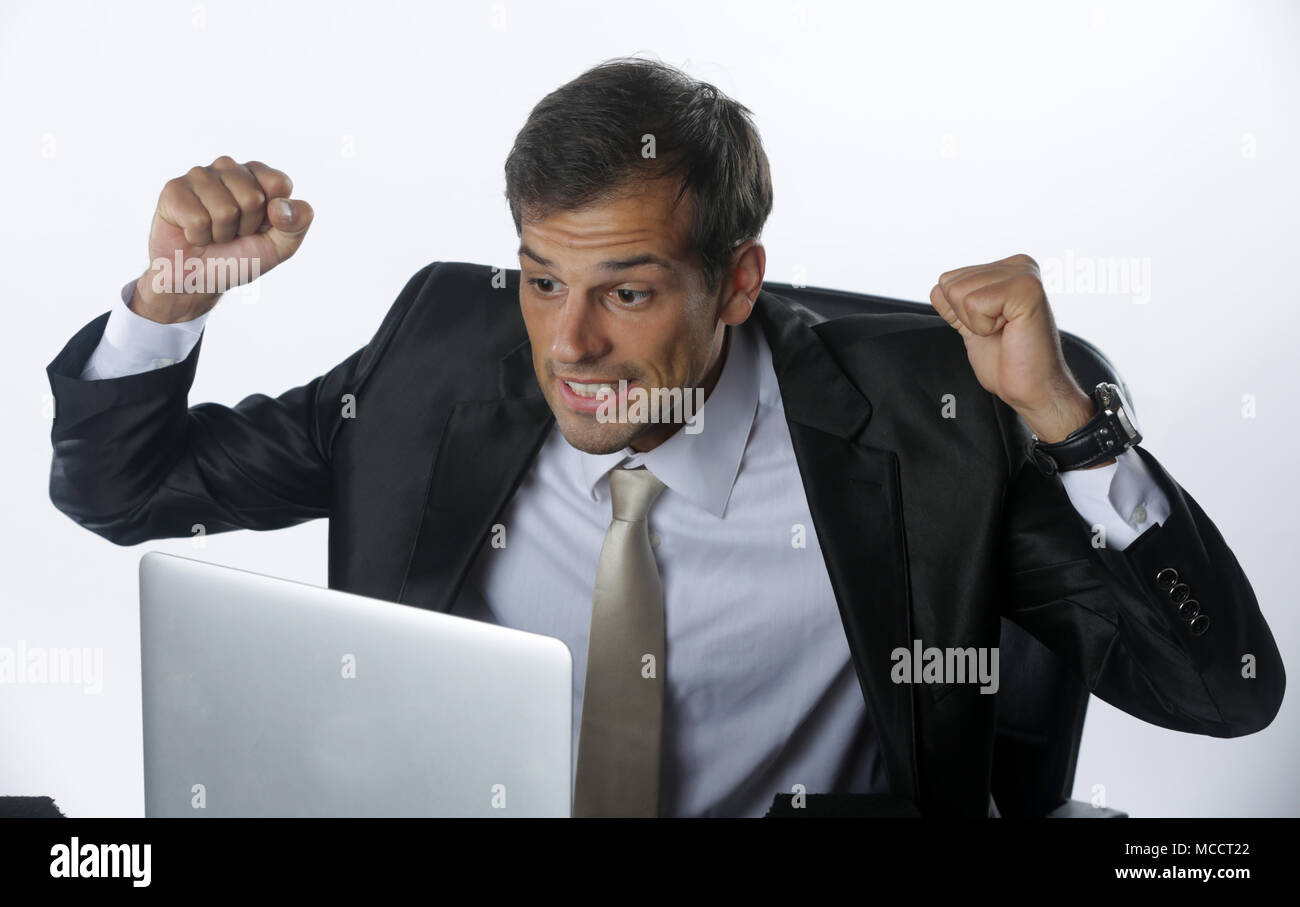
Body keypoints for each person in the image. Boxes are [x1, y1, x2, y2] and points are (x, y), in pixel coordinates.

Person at [45, 57, 1284, 818]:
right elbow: (123, 486)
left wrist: (1068, 424)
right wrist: (174, 294)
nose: (567, 346)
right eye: (540, 279)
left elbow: (1221, 694)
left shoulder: (928, 429)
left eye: (626, 293)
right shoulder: (436, 348)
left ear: (736, 284)